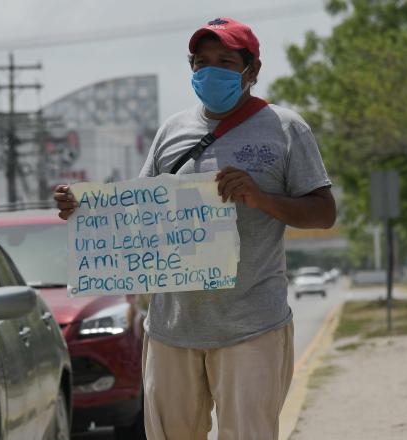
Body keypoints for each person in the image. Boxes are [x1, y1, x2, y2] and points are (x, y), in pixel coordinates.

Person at [55, 17, 336, 440]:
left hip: (252, 327)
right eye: (201, 62)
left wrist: (262, 199)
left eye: (225, 61)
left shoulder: (286, 128)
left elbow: (323, 212)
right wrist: (86, 209)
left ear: (252, 71)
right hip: (172, 328)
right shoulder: (172, 130)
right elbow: (139, 210)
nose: (210, 71)